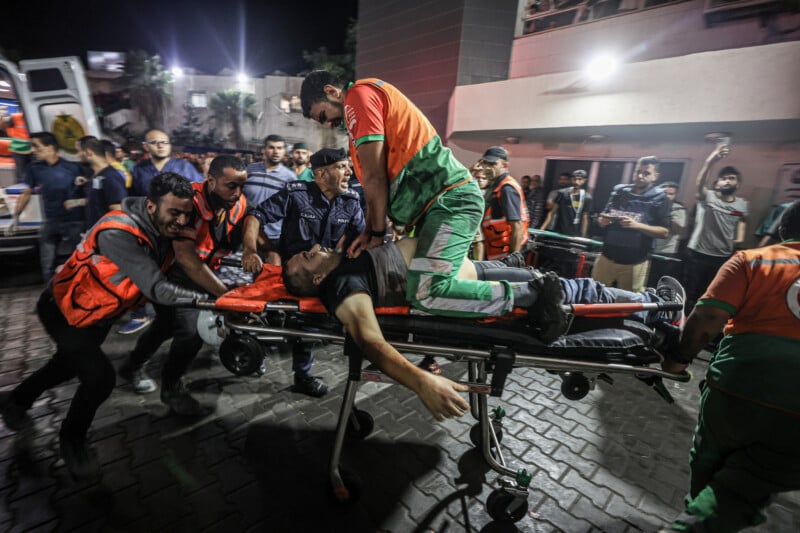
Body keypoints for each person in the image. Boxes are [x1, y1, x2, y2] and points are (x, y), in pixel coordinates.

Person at [281, 239, 684, 420]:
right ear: (315, 280)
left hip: (472, 271)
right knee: (576, 291)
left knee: (563, 286)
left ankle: (650, 315)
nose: (312, 249)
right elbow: (370, 341)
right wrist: (421, 382)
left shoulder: (345, 262)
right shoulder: (343, 288)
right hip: (468, 289)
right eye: (305, 257)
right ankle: (656, 312)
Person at [0, 173, 202, 480]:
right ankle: (72, 441)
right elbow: (157, 288)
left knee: (67, 366)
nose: (181, 220)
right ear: (151, 206)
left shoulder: (161, 228)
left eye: (187, 213)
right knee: (99, 379)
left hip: (96, 313)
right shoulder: (117, 232)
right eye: (175, 212)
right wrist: (212, 301)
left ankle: (16, 401)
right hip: (63, 309)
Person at [300, 70, 520, 320]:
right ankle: (524, 277)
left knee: (427, 291)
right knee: (449, 275)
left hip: (449, 201)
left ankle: (529, 294)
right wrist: (369, 230)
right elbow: (375, 181)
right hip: (437, 206)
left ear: (331, 92)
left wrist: (378, 233)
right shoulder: (362, 104)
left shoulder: (358, 97)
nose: (328, 124)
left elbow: (375, 177)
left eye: (323, 115)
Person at [660, 201, 800, 533]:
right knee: (747, 487)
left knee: (709, 464)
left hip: (736, 389)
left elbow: (707, 318)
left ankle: (697, 516)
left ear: (781, 229)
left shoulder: (753, 261)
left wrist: (676, 361)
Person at [119, 156, 250, 411]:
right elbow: (187, 258)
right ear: (210, 181)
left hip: (201, 274)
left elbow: (252, 220)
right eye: (231, 186)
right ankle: (171, 387)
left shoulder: (236, 201)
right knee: (190, 333)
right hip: (175, 275)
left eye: (242, 186)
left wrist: (253, 248)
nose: (238, 193)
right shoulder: (190, 203)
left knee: (166, 325)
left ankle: (131, 366)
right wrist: (225, 297)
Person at [241, 148, 365, 397]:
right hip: (290, 269)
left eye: (347, 166)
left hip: (317, 275)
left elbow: (359, 240)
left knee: (306, 327)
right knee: (263, 316)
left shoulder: (351, 202)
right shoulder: (296, 193)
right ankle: (250, 352)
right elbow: (256, 216)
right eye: (342, 166)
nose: (349, 172)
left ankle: (302, 376)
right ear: (320, 174)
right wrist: (250, 250)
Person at [121, 129, 204, 335]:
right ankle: (143, 313)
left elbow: (198, 196)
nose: (161, 145)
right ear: (146, 146)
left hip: (177, 231)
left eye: (165, 142)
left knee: (178, 271)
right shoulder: (139, 170)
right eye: (155, 142)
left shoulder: (184, 167)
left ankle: (183, 315)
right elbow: (133, 200)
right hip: (148, 232)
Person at [4, 131, 85, 282]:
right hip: (51, 220)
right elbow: (26, 193)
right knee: (47, 264)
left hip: (74, 221)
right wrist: (15, 217)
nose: (33, 150)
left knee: (80, 260)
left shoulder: (73, 168)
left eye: (37, 146)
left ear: (51, 147)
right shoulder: (35, 169)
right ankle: (52, 296)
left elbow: (87, 191)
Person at [683, 144, 749, 313]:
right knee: (689, 294)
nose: (727, 180)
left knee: (710, 295)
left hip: (722, 257)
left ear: (738, 184)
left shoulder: (742, 204)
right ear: (717, 183)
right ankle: (679, 326)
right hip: (698, 254)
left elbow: (742, 223)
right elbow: (700, 182)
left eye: (732, 178)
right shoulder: (708, 197)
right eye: (723, 178)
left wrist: (739, 239)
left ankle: (698, 325)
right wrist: (711, 160)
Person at [592, 156, 670, 292]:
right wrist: (602, 221)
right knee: (594, 296)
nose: (640, 176)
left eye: (646, 173)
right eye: (637, 171)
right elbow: (602, 217)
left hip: (635, 262)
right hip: (606, 257)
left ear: (655, 176)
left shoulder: (661, 198)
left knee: (628, 305)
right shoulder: (619, 191)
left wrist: (637, 225)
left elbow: (664, 232)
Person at [244, 134, 297, 264]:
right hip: (246, 232)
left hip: (273, 236)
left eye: (279, 148)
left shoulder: (290, 178)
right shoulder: (249, 170)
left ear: (284, 151)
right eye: (272, 147)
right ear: (263, 150)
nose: (276, 152)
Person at [479, 146, 529, 260]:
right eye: (485, 163)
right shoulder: (495, 185)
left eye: (492, 164)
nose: (486, 168)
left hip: (503, 254)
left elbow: (517, 226)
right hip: (495, 250)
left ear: (505, 165)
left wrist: (512, 261)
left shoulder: (506, 188)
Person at [73, 136, 128, 228]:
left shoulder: (111, 177)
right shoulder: (96, 177)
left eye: (78, 151)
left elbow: (118, 211)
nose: (77, 156)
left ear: (88, 153)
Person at [649, 181, 687, 284]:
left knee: (659, 284)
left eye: (671, 194)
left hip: (666, 253)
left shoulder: (678, 208)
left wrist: (665, 213)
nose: (667, 196)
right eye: (665, 193)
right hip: (648, 249)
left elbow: (676, 228)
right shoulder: (652, 205)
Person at [540, 169, 593, 237]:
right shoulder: (562, 193)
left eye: (580, 179)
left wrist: (583, 236)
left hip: (575, 233)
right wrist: (542, 229)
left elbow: (585, 218)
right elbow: (552, 213)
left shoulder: (587, 197)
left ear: (585, 180)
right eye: (574, 179)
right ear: (571, 179)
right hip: (559, 230)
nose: (576, 182)